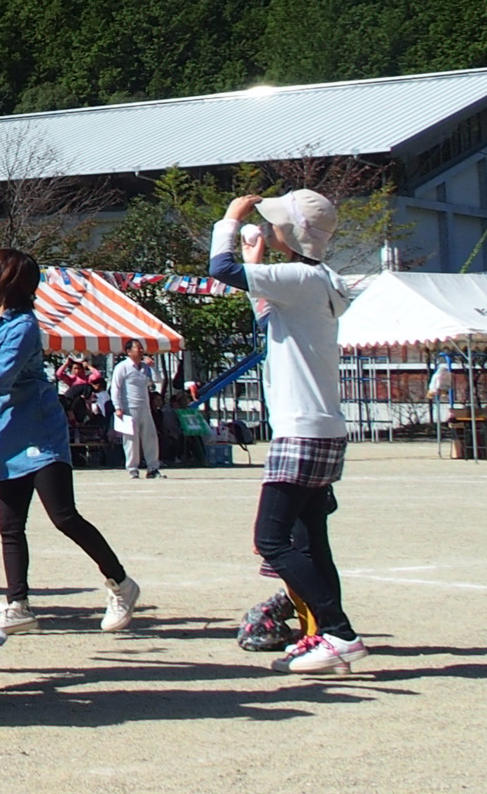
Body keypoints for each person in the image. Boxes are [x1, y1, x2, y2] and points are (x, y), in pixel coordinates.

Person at [209, 189, 366, 673]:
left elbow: (221, 269)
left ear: (293, 235)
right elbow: (269, 316)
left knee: (272, 540)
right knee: (311, 541)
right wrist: (258, 259)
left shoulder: (298, 277)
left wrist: (230, 221)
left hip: (299, 430)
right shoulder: (318, 280)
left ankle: (339, 631)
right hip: (322, 427)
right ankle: (323, 635)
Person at [0, 248, 141, 639]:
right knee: (9, 524)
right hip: (5, 434)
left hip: (38, 432)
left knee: (63, 516)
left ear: (6, 279)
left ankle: (121, 584)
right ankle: (18, 604)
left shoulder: (22, 325)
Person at [110, 341, 160, 478]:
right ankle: (132, 468)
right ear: (128, 351)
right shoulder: (122, 367)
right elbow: (115, 388)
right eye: (138, 348)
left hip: (145, 407)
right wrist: (117, 407)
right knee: (131, 440)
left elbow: (156, 381)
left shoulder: (145, 367)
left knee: (150, 437)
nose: (141, 350)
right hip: (128, 407)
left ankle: (153, 468)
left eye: (142, 347)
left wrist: (153, 367)